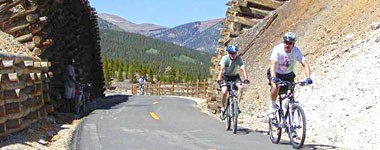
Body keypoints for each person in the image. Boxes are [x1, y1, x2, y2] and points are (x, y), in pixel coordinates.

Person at [267, 32, 313, 117]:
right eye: (285, 42)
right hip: (276, 73)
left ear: (293, 44)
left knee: (291, 92)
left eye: (290, 43)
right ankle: (273, 105)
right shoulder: (278, 49)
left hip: (288, 74)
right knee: (276, 87)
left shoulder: (296, 51)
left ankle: (290, 115)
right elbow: (273, 63)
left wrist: (308, 78)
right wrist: (273, 77)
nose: (287, 45)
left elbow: (305, 64)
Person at [217, 45, 250, 120]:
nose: (233, 55)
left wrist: (246, 79)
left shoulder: (238, 58)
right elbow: (221, 70)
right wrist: (219, 79)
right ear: (228, 53)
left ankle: (237, 105)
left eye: (234, 53)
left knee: (241, 87)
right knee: (224, 91)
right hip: (226, 77)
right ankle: (223, 107)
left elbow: (243, 69)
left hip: (235, 77)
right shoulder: (225, 58)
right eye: (231, 53)